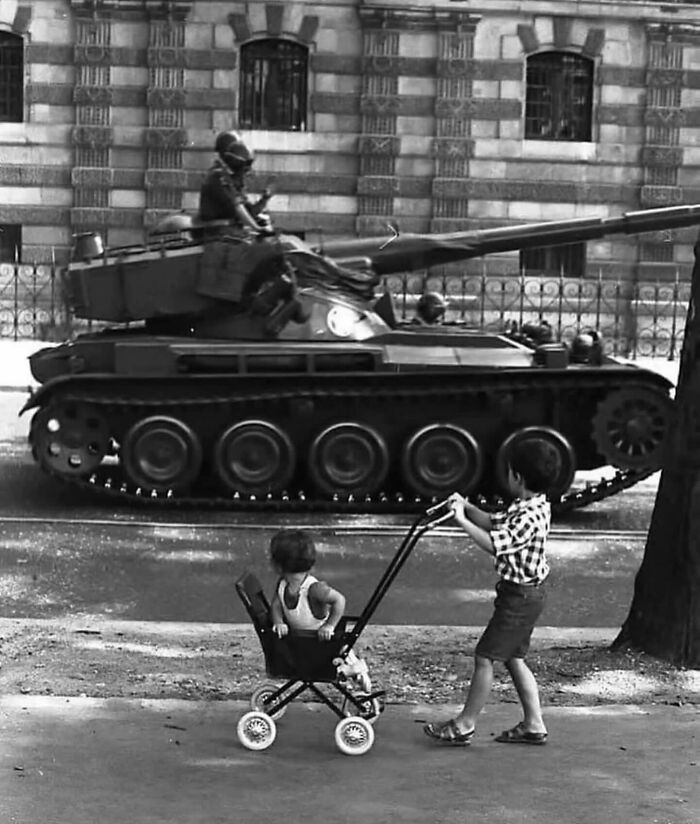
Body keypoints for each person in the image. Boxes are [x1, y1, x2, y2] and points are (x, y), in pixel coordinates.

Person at [423, 438, 559, 746]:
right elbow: (492, 522)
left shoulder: (528, 516)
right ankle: (534, 724)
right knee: (513, 657)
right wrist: (467, 506)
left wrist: (460, 521)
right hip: (523, 594)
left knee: (484, 656)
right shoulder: (530, 505)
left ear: (517, 477)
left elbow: (494, 544)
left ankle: (465, 724)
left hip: (521, 597)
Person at [268, 528, 371, 691]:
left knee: (339, 650)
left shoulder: (313, 589)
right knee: (334, 652)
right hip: (303, 640)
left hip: (321, 640)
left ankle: (354, 669)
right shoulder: (282, 585)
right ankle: (349, 666)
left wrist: (329, 625)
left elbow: (339, 600)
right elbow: (276, 605)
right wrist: (279, 622)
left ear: (278, 565)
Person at [198, 130, 273, 235]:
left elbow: (248, 211)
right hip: (216, 231)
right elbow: (238, 207)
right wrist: (257, 229)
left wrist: (264, 200)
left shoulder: (231, 176)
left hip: (228, 228)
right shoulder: (218, 176)